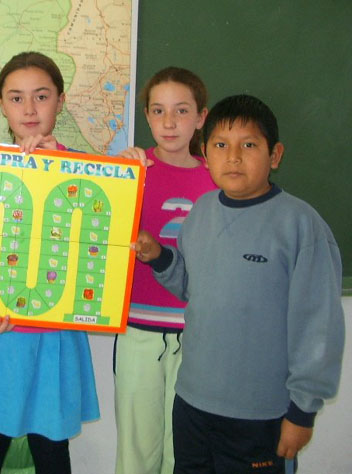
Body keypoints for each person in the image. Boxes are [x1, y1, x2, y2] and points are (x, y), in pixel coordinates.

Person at [133, 94, 345, 473]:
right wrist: (161, 258)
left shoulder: (300, 225)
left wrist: (302, 412)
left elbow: (319, 328)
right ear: (206, 153)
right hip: (193, 405)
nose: (232, 157)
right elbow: (193, 288)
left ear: (275, 155)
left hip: (261, 414)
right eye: (220, 145)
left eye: (248, 145)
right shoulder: (201, 212)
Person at [0, 52, 100, 474]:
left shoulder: (91, 171)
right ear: (1, 104)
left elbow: (106, 247)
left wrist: (65, 165)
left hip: (54, 336)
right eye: (16, 98)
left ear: (60, 101)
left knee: (51, 451)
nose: (29, 109)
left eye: (41, 96)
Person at [113, 67, 216, 474]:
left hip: (197, 336)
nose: (169, 123)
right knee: (136, 450)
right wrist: (118, 179)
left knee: (185, 453)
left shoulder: (217, 178)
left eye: (181, 111)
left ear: (201, 117)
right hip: (138, 330)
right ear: (147, 116)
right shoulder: (129, 172)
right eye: (158, 111)